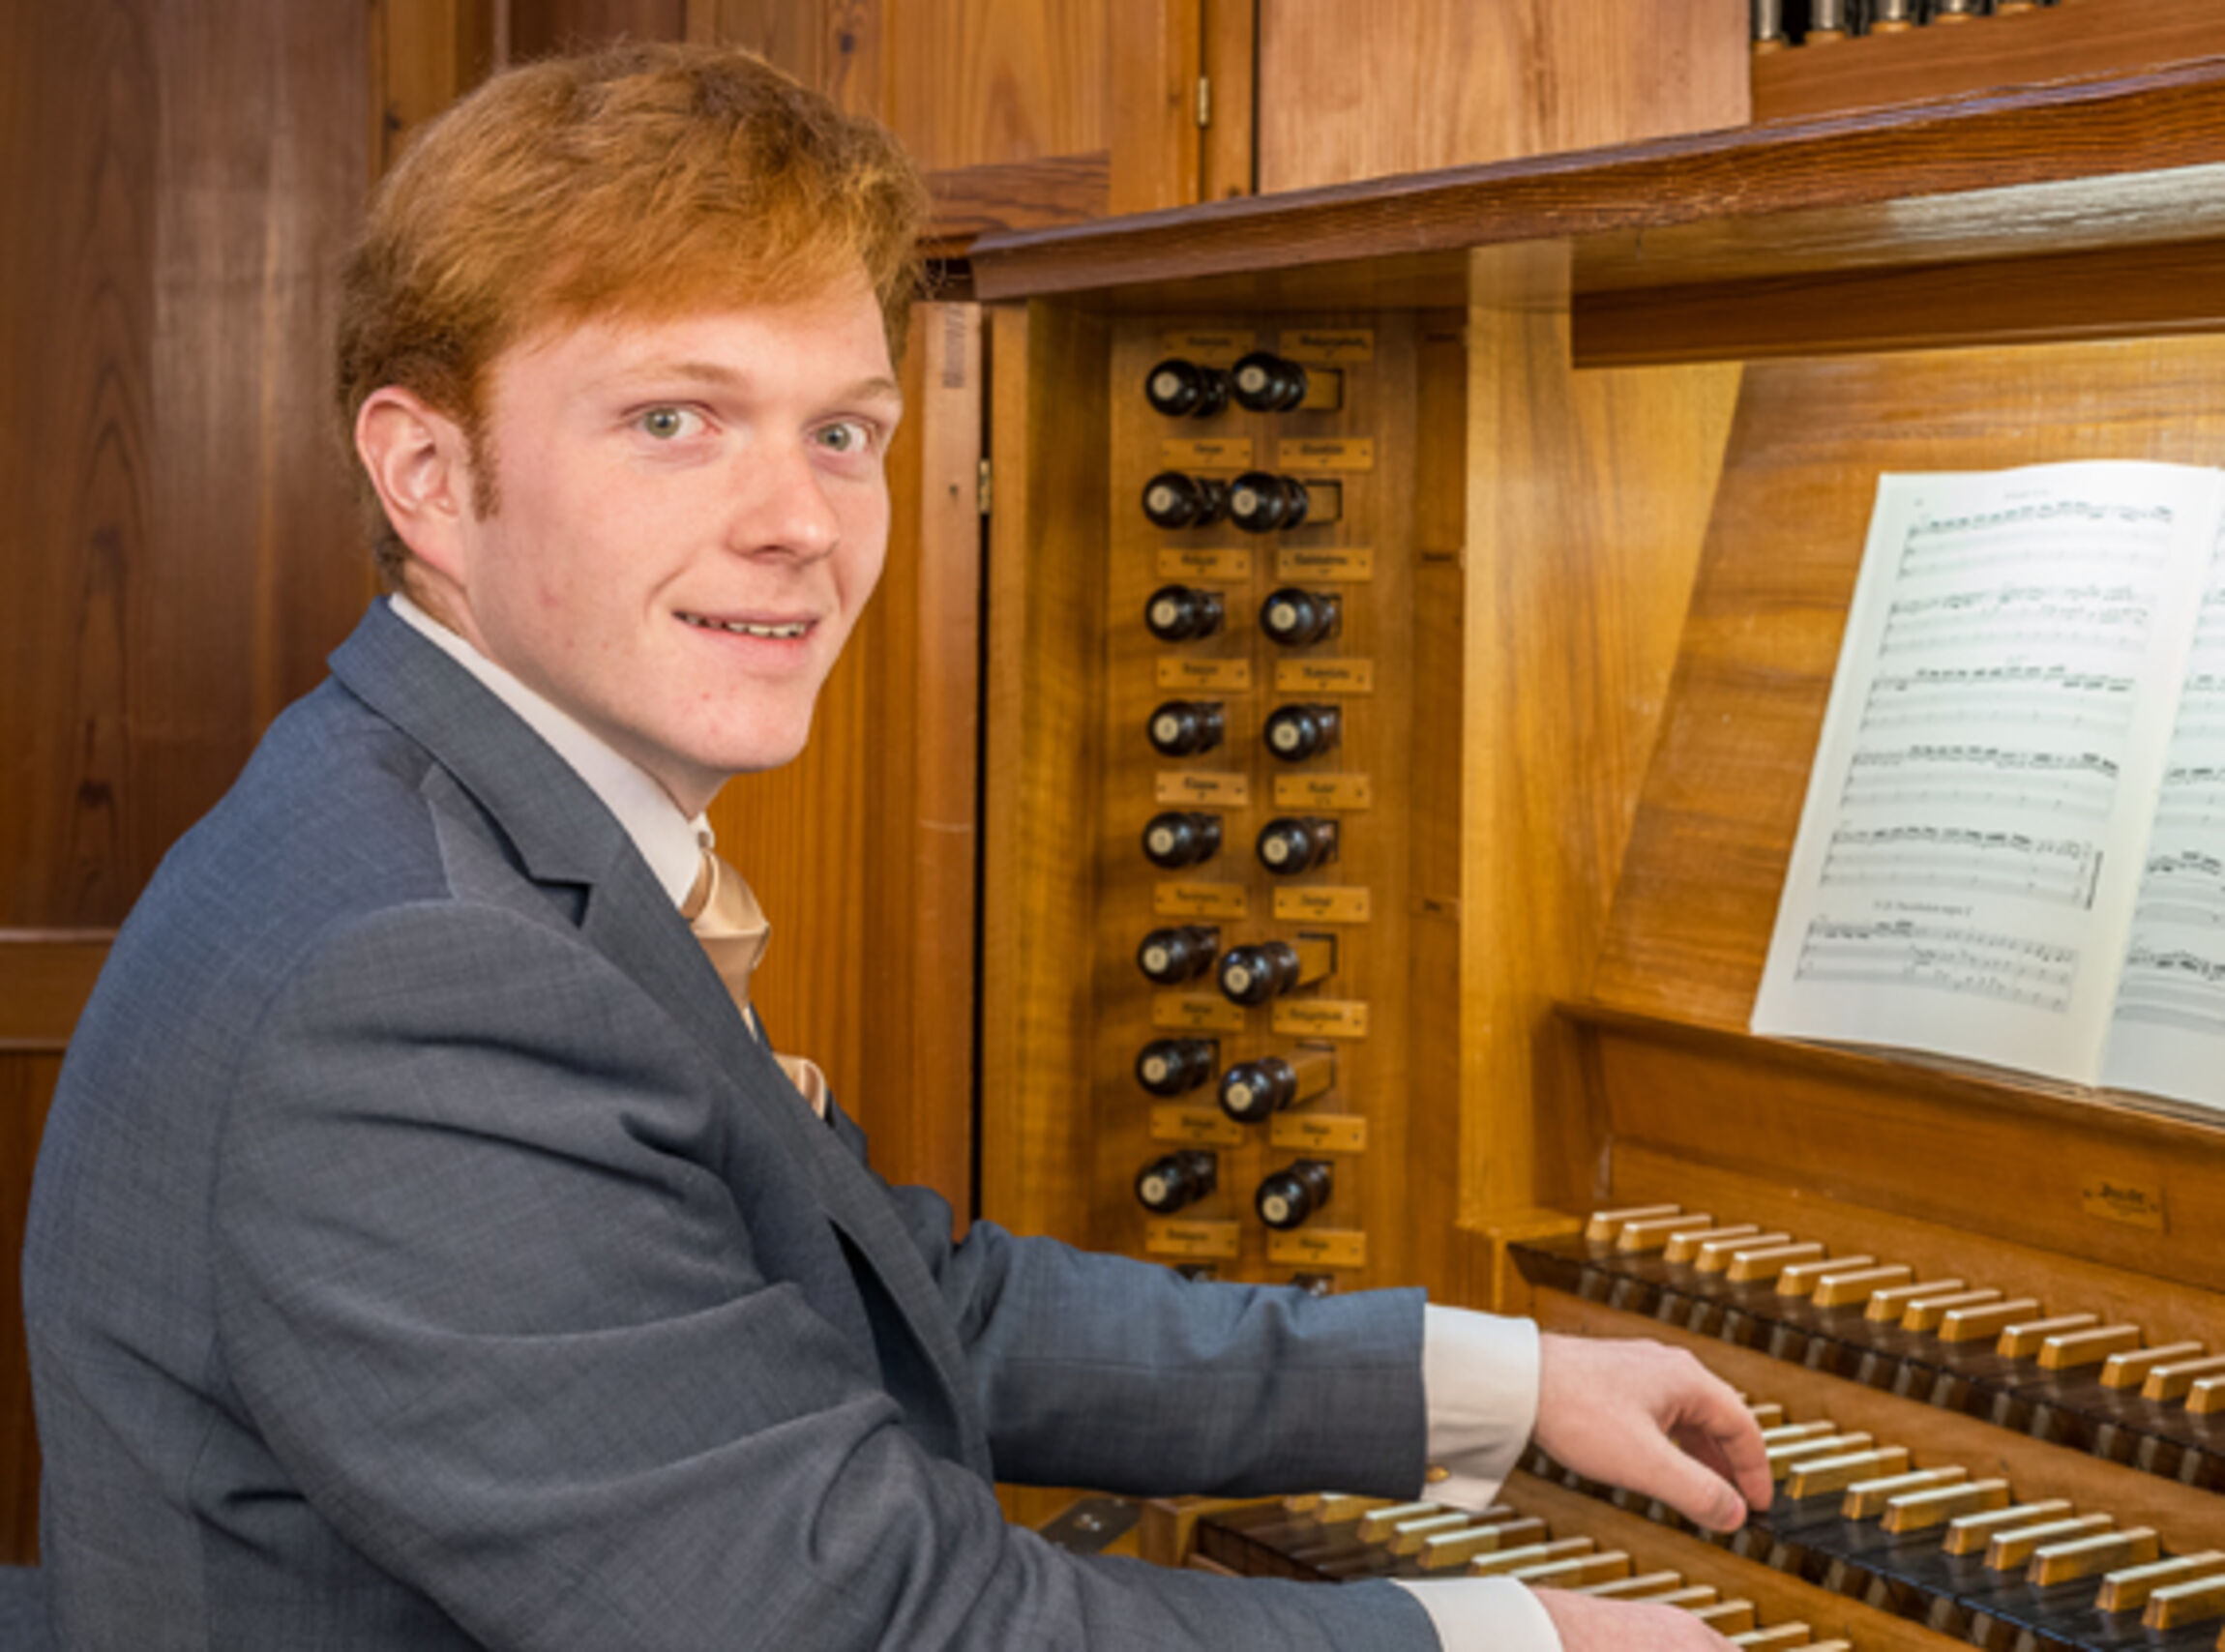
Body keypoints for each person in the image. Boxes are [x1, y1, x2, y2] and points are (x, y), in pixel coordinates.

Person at [23, 42, 1769, 1651]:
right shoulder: (418, 973)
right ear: (423, 470)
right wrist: (1501, 1638)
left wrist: (1490, 1379)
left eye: (842, 432)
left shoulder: (451, 811)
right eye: (673, 419)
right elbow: (868, 1629)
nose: (798, 525)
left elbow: (894, 1300)